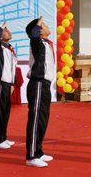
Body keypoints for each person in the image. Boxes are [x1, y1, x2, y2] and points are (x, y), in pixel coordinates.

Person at [25, 16, 54, 168]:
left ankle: (38, 151)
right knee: (36, 119)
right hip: (37, 84)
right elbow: (33, 34)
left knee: (43, 119)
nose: (48, 26)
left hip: (45, 84)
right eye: (44, 25)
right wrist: (38, 23)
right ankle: (31, 156)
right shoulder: (37, 42)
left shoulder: (46, 43)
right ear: (40, 31)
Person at [0, 21, 17, 150]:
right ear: (1, 36)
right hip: (0, 83)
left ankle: (3, 137)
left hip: (8, 84)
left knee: (5, 112)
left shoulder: (10, 50)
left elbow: (13, 69)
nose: (9, 32)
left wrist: (12, 83)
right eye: (6, 31)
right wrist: (0, 28)